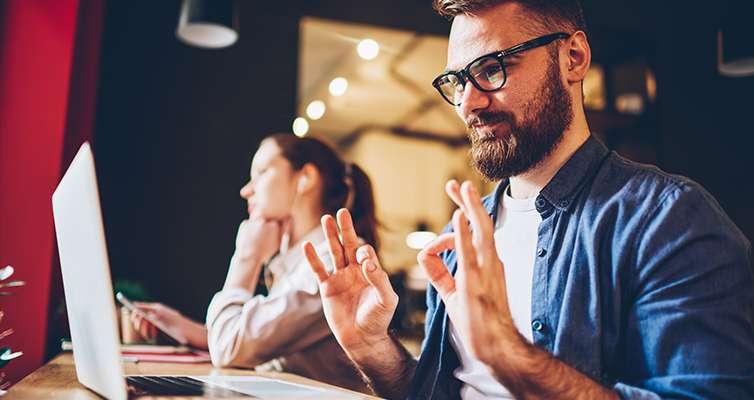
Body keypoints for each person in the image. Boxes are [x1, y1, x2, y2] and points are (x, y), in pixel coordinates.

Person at [303, 1, 754, 399]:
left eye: (492, 69)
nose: (468, 104)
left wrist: (512, 356)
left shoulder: (667, 220)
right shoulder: (456, 241)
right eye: (458, 81)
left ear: (572, 58)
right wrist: (372, 348)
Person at [131, 133, 377, 393]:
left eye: (261, 172)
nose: (246, 190)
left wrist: (246, 258)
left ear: (305, 178)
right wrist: (187, 330)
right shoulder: (300, 261)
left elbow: (228, 349)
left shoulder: (331, 262)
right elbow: (259, 343)